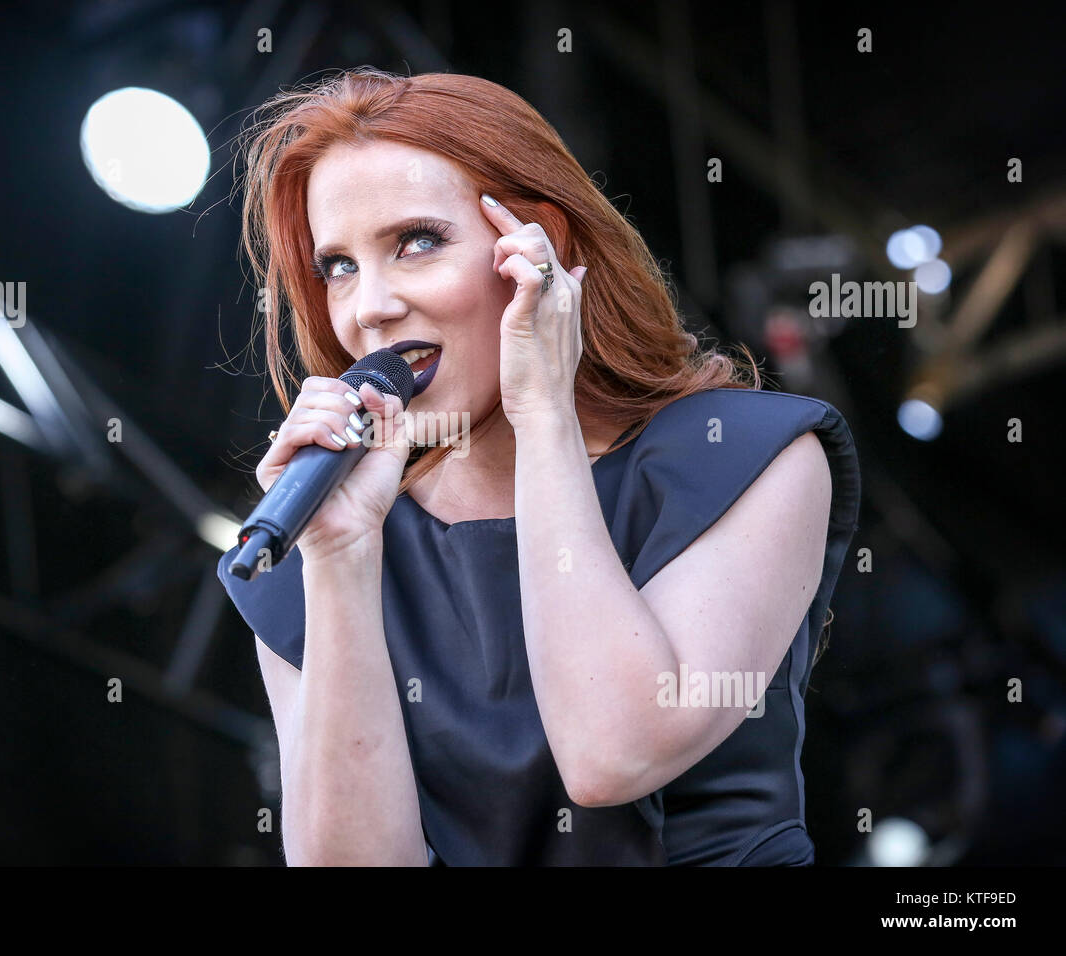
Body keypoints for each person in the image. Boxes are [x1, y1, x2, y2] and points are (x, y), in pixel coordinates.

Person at [216, 67, 860, 865]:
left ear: (537, 248)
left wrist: (544, 410)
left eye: (416, 243)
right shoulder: (316, 547)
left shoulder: (745, 455)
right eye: (338, 267)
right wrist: (342, 559)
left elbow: (613, 751)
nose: (369, 305)